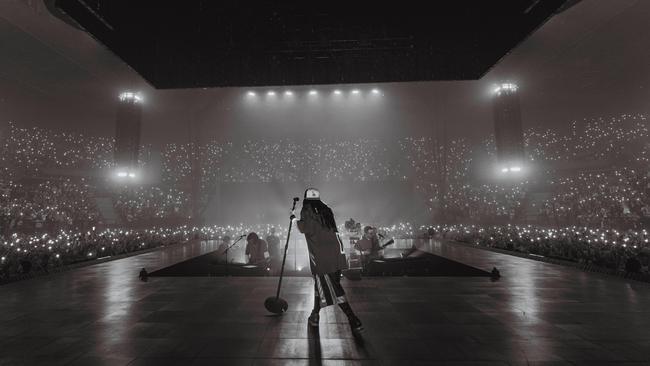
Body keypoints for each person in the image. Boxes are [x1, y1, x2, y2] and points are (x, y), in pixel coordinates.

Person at [294, 187, 363, 333]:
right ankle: (315, 315)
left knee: (333, 288)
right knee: (323, 285)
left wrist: (294, 220)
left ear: (306, 198)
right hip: (336, 252)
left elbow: (305, 228)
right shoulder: (326, 209)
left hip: (322, 255)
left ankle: (353, 319)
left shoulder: (306, 209)